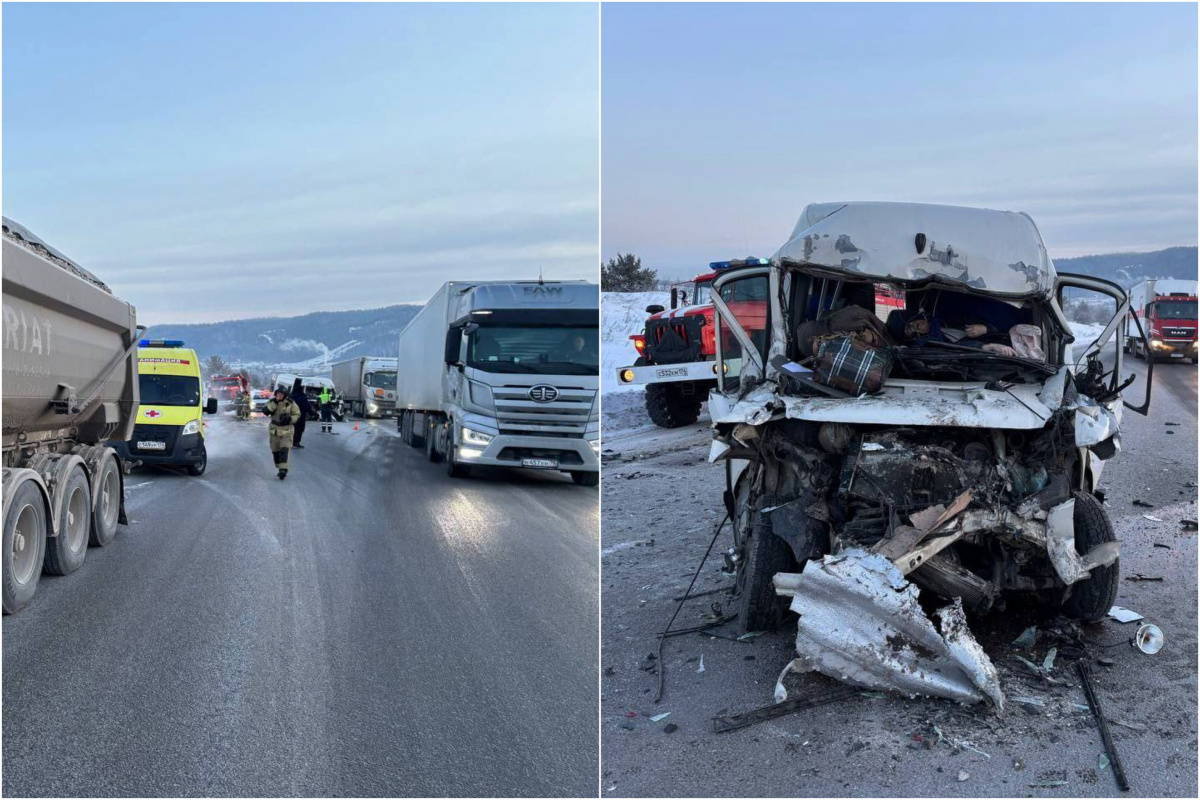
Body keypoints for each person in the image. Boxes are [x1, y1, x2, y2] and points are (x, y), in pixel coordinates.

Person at [262, 387, 301, 480]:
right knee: (275, 450)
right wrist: (275, 402)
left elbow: (297, 414)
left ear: (285, 395)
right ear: (276, 394)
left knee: (285, 449)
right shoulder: (271, 402)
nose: (280, 395)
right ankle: (280, 466)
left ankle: (283, 470)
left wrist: (289, 418)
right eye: (278, 394)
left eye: (282, 394)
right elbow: (266, 411)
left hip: (287, 430)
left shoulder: (291, 403)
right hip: (274, 430)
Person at [290, 378, 311, 448]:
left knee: (293, 428)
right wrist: (313, 413)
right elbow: (306, 406)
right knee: (299, 429)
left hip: (292, 415)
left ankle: (292, 442)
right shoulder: (302, 396)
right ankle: (296, 443)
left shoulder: (291, 395)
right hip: (301, 415)